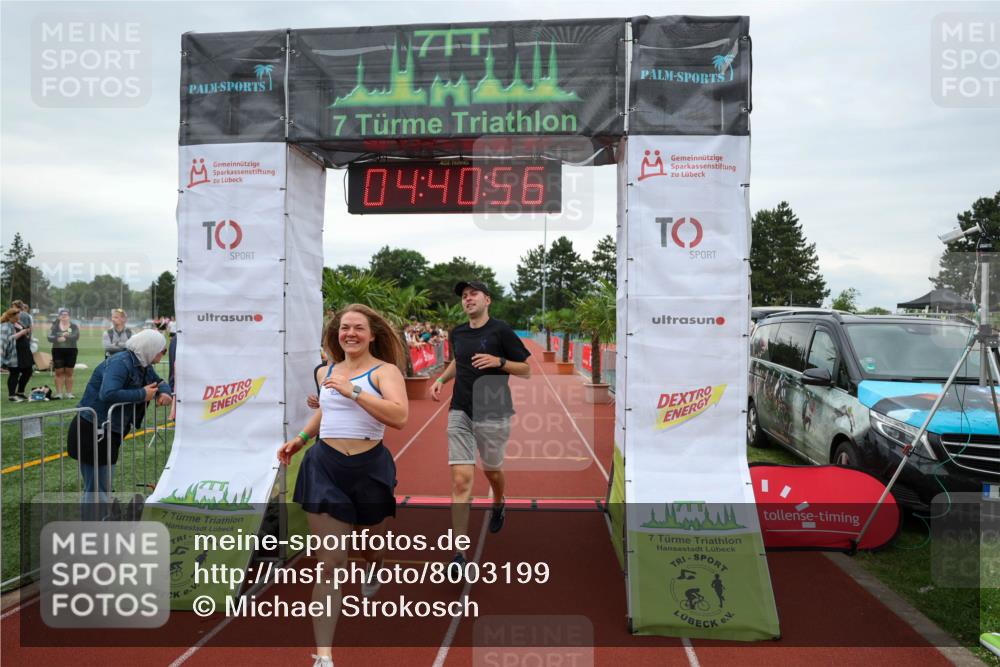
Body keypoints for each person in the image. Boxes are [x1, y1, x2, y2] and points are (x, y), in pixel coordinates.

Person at [277, 304, 408, 667]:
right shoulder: (326, 371)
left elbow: (399, 416)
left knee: (370, 546)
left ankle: (374, 564)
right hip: (325, 467)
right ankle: (323, 656)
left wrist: (354, 392)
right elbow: (327, 410)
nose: (349, 333)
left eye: (358, 328)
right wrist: (301, 438)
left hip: (370, 468)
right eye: (344, 328)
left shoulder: (385, 371)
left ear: (372, 335)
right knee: (330, 563)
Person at [430, 280, 531, 572]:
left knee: (491, 470)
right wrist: (440, 379)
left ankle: (499, 501)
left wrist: (499, 361)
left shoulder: (501, 330)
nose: (467, 299)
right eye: (464, 295)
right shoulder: (457, 332)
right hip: (460, 411)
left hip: (494, 413)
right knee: (461, 481)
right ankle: (459, 555)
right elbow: (456, 361)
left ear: (487, 300)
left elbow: (525, 369)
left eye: (473, 294)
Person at [67, 329, 172, 518]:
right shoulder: (121, 362)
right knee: (97, 489)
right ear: (150, 348)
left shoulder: (142, 363)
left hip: (107, 430)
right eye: (162, 350)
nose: (162, 354)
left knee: (102, 487)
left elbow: (159, 381)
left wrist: (164, 391)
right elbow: (107, 393)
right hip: (93, 429)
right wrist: (142, 394)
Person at [1, 307, 33, 401]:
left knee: (28, 371)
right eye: (17, 315)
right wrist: (22, 333)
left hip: (24, 352)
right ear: (11, 316)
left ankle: (20, 392)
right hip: (14, 353)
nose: (19, 316)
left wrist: (26, 333)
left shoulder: (18, 323)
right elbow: (7, 339)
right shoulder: (5, 325)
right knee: (14, 373)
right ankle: (11, 395)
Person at [48, 308, 81, 399]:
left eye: (66, 315)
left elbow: (76, 336)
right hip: (58, 351)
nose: (64, 317)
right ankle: (59, 393)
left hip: (71, 351)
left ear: (69, 317)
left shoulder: (73, 326)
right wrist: (57, 339)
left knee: (69, 372)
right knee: (59, 372)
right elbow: (49, 337)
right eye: (62, 316)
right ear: (59, 317)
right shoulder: (55, 326)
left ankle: (69, 393)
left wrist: (67, 336)